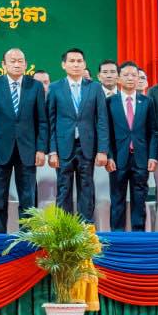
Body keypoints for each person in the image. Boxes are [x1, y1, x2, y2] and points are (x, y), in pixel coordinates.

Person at [0, 48, 47, 234]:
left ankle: (26, 238)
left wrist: (41, 148)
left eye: (20, 61)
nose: (17, 64)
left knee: (27, 199)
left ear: (26, 64)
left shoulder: (35, 86)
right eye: (12, 61)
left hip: (28, 150)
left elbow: (42, 121)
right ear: (3, 64)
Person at [45, 48, 109, 221]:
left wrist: (102, 150)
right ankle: (64, 228)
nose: (76, 64)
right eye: (71, 61)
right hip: (63, 147)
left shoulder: (95, 87)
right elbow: (50, 121)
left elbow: (102, 120)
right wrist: (52, 151)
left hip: (87, 146)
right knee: (63, 188)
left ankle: (86, 227)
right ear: (63, 65)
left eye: (79, 61)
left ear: (85, 64)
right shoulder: (55, 88)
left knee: (87, 188)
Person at [105, 61, 157, 231]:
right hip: (117, 159)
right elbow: (106, 132)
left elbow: (153, 132)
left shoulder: (147, 102)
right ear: (119, 78)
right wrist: (109, 156)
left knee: (139, 199)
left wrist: (152, 156)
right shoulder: (110, 102)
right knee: (117, 199)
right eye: (126, 75)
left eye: (134, 75)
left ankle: (139, 236)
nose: (130, 78)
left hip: (140, 158)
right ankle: (117, 236)